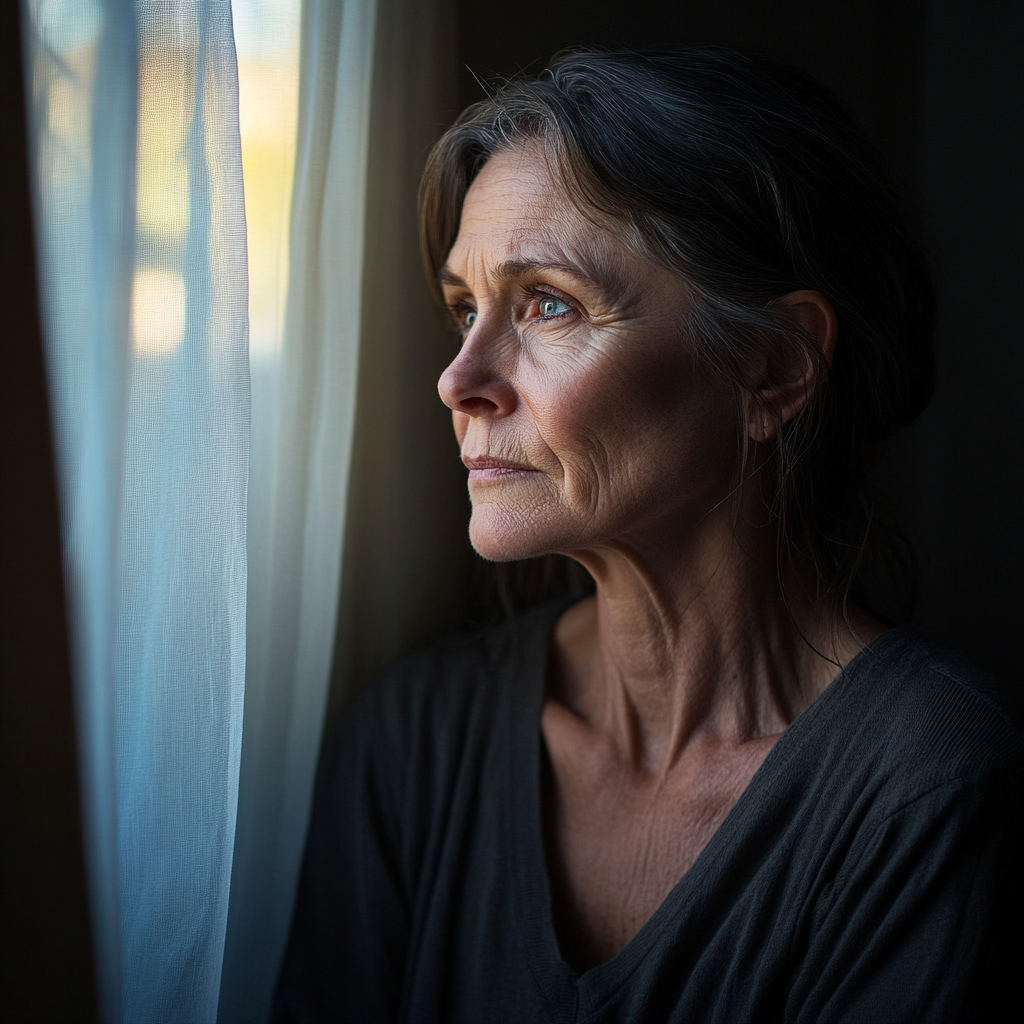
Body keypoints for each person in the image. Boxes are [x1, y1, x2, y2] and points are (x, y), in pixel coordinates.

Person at [273, 49, 1022, 1023]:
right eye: (464, 307)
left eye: (546, 302)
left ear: (773, 367)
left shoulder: (929, 782)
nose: (458, 379)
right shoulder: (415, 739)